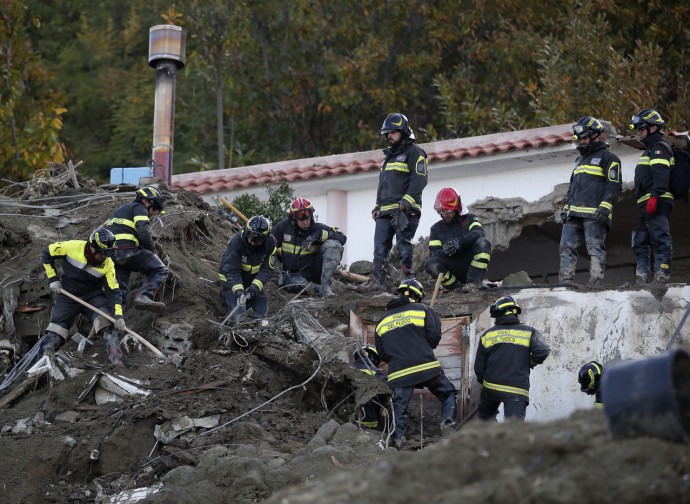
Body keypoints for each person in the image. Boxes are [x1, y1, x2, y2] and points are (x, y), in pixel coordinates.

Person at [375, 279, 457, 449]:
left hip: (399, 373)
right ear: (418, 296)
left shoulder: (382, 321)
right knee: (448, 393)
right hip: (426, 368)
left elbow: (382, 354)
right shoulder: (424, 310)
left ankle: (398, 440)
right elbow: (434, 337)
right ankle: (447, 425)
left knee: (399, 406)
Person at [358, 113, 428, 292]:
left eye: (393, 132)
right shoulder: (388, 157)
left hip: (405, 210)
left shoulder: (414, 152)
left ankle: (407, 280)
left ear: (403, 131)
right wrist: (377, 206)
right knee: (379, 247)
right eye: (387, 133)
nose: (389, 136)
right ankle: (377, 282)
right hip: (385, 211)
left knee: (404, 245)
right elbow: (383, 185)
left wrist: (407, 200)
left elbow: (420, 179)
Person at [40, 228, 126, 365]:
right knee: (55, 333)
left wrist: (118, 316)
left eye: (107, 254)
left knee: (107, 326)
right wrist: (53, 279)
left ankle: (117, 362)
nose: (105, 257)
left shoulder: (108, 264)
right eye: (102, 253)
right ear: (92, 248)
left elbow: (114, 292)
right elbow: (47, 252)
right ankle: (43, 365)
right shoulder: (72, 247)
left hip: (92, 297)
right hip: (68, 296)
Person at [559, 116, 622, 286]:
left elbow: (614, 185)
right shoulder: (578, 161)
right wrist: (566, 208)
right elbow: (572, 187)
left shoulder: (609, 158)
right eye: (579, 139)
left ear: (596, 135)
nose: (581, 142)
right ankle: (565, 282)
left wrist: (605, 207)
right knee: (566, 246)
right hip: (574, 213)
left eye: (585, 138)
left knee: (594, 247)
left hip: (595, 214)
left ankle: (594, 283)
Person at [474, 296, 550, 421]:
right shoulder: (529, 332)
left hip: (492, 388)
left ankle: (489, 439)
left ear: (497, 314)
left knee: (486, 420)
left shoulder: (488, 335)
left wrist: (483, 385)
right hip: (517, 390)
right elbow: (543, 351)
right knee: (513, 428)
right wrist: (529, 362)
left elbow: (479, 366)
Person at [105, 186, 169, 313]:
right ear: (146, 201)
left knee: (120, 296)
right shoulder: (139, 208)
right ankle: (144, 296)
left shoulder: (120, 211)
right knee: (160, 269)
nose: (154, 213)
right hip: (127, 251)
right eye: (154, 208)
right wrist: (151, 253)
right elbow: (143, 231)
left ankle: (111, 329)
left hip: (113, 257)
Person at [630, 109, 675, 284]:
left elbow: (661, 176)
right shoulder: (650, 149)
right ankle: (641, 279)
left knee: (660, 239)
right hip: (647, 205)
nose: (639, 132)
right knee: (640, 240)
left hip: (657, 202)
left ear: (654, 128)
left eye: (641, 128)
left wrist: (654, 197)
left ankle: (661, 278)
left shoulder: (659, 147)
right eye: (638, 129)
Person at [271, 198, 347, 298]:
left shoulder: (318, 228)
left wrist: (319, 235)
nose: (305, 221)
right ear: (293, 217)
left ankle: (324, 287)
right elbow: (269, 242)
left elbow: (342, 237)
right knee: (294, 283)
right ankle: (318, 289)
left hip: (315, 271)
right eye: (300, 217)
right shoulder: (284, 227)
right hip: (294, 275)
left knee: (333, 244)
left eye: (307, 216)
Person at [424, 187, 491, 292]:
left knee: (483, 243)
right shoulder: (436, 229)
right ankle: (456, 289)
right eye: (441, 212)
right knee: (430, 265)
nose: (444, 215)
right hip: (452, 268)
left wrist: (460, 242)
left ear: (458, 208)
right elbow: (434, 255)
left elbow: (479, 232)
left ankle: (473, 284)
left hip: (470, 264)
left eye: (449, 211)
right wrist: (446, 250)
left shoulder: (470, 219)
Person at [218, 215, 277, 321]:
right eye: (250, 236)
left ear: (265, 237)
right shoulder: (236, 241)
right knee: (238, 317)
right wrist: (239, 291)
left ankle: (256, 330)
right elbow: (231, 269)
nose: (252, 242)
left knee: (261, 316)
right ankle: (227, 297)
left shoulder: (271, 243)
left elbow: (267, 269)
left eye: (257, 240)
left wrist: (253, 289)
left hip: (251, 283)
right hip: (231, 282)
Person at [353, 344, 389, 429]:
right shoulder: (375, 372)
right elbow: (386, 390)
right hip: (369, 417)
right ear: (374, 359)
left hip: (348, 416)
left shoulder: (349, 370)